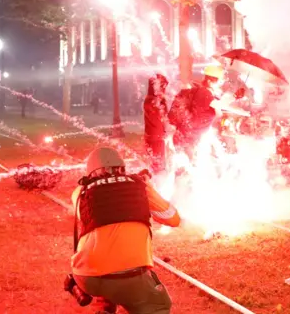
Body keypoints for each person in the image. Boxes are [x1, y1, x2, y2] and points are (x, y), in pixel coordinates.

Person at [71, 147, 181, 314]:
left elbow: (96, 215)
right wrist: (147, 188)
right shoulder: (140, 186)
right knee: (158, 304)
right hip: (129, 275)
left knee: (109, 281)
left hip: (86, 276)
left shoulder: (80, 192)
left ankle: (105, 306)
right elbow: (172, 218)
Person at [168, 64, 226, 157]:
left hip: (189, 137)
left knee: (188, 164)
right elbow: (221, 106)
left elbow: (219, 113)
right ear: (210, 81)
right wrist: (235, 96)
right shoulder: (204, 94)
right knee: (188, 165)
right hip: (187, 138)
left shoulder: (207, 93)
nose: (221, 85)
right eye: (220, 82)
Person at [144, 74, 170, 173]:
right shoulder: (154, 100)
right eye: (163, 86)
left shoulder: (151, 99)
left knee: (157, 164)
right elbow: (163, 117)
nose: (164, 90)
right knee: (158, 166)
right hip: (156, 138)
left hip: (154, 136)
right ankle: (158, 183)